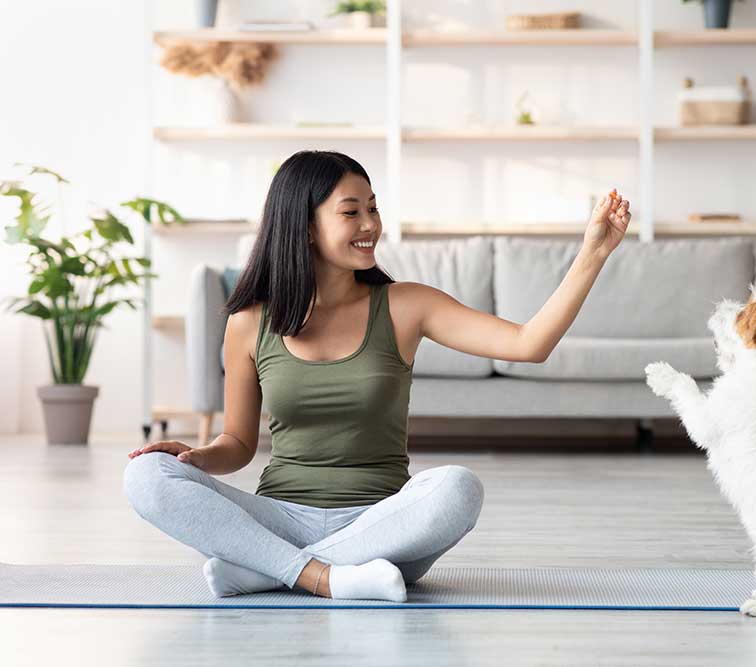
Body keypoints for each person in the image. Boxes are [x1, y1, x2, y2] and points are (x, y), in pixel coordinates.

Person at [123, 150, 632, 600]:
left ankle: (272, 571)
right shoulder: (249, 323)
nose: (370, 224)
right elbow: (237, 441)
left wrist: (593, 252)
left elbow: (529, 344)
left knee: (459, 488)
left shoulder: (407, 305)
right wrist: (194, 456)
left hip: (381, 525)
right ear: (302, 226)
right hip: (281, 519)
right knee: (145, 475)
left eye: (373, 208)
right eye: (351, 212)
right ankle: (324, 576)